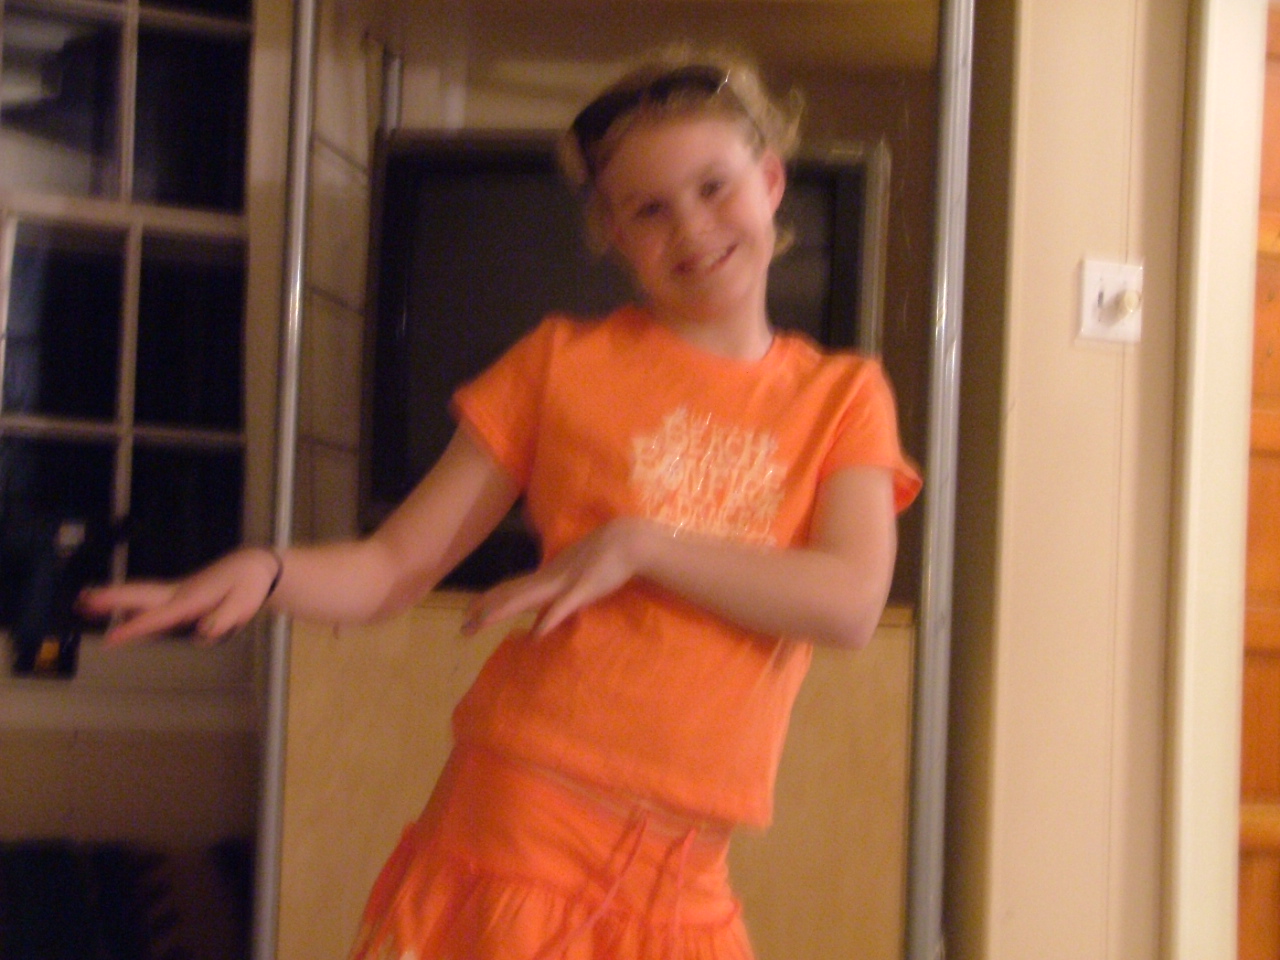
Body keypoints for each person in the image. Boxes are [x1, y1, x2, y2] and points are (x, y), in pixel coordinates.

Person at [80, 46, 921, 960]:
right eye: (648, 208)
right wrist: (268, 571)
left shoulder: (844, 397)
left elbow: (848, 602)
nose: (692, 226)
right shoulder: (560, 364)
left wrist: (640, 544)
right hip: (521, 818)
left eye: (714, 187)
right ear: (612, 232)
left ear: (770, 181)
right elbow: (392, 567)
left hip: (684, 868)